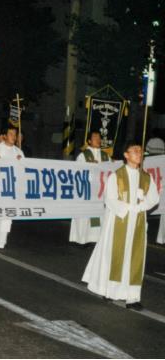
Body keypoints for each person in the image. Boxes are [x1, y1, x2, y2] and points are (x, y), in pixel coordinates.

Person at [82, 141, 159, 311]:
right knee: (115, 255)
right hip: (119, 221)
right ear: (126, 155)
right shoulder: (116, 176)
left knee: (135, 259)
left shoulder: (146, 177)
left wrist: (141, 205)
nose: (139, 153)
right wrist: (128, 208)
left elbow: (154, 198)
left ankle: (132, 297)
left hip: (137, 222)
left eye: (140, 151)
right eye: (134, 151)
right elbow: (109, 199)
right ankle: (111, 290)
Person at [69, 131, 111, 245]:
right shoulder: (83, 156)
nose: (98, 139)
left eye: (99, 137)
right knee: (84, 216)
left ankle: (94, 238)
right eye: (95, 137)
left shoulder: (105, 156)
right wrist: (92, 167)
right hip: (87, 190)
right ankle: (80, 238)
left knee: (96, 215)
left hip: (100, 191)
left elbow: (109, 172)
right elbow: (78, 172)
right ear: (89, 141)